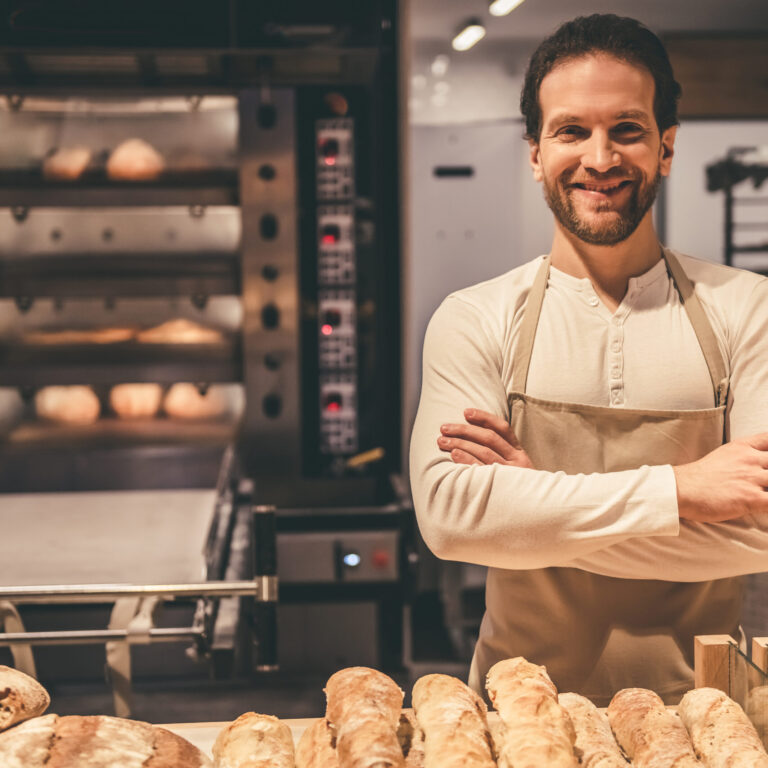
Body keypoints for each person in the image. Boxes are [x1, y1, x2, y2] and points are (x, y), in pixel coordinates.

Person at [409, 13, 768, 706]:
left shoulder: (746, 309)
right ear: (535, 152)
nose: (600, 158)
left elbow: (759, 529)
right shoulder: (476, 317)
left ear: (665, 148)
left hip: (703, 718)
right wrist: (682, 491)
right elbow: (453, 518)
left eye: (627, 130)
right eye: (572, 130)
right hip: (515, 722)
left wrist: (529, 514)